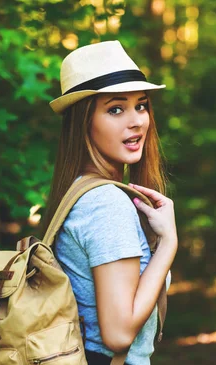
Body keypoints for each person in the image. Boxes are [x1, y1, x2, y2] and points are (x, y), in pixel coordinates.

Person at [42, 40, 178, 365]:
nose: (137, 121)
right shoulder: (105, 203)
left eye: (141, 105)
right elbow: (117, 334)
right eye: (115, 109)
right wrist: (169, 244)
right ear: (83, 121)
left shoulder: (77, 191)